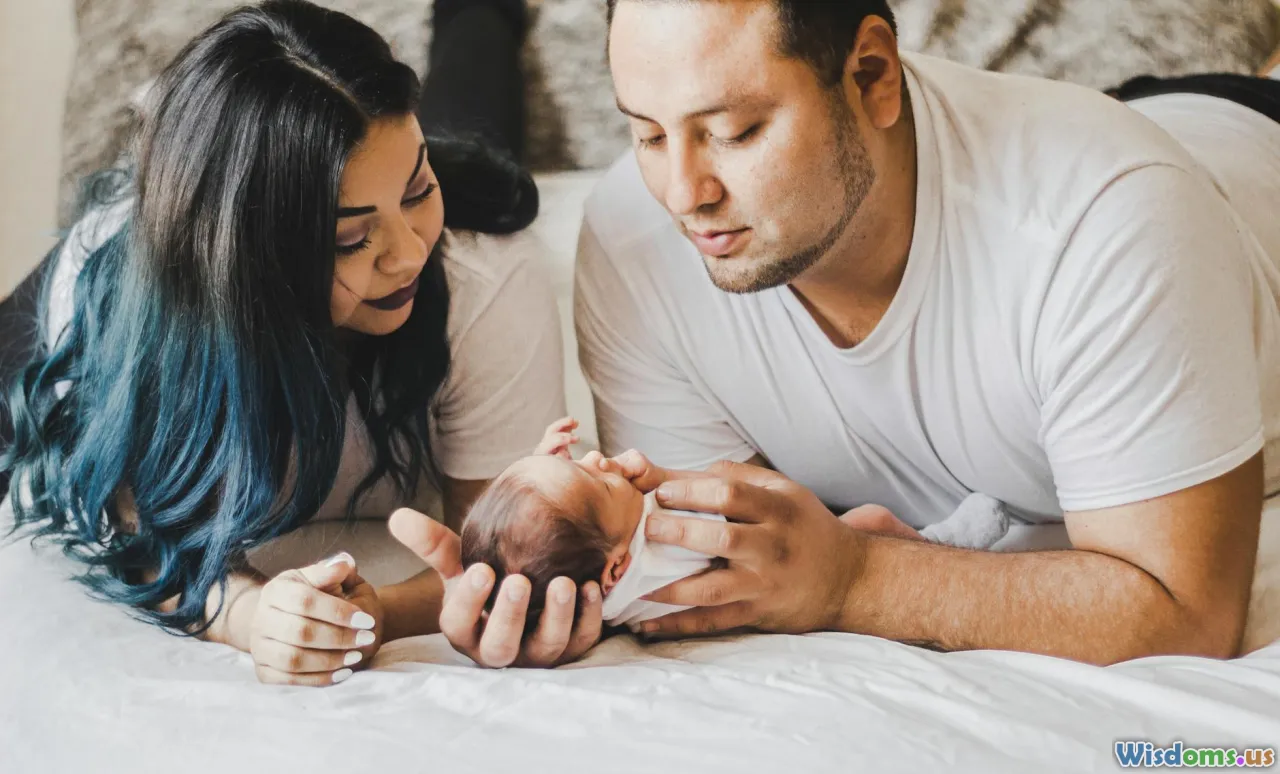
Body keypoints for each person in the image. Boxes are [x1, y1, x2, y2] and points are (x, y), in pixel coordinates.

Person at [556, 0, 1280, 666]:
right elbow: (711, 559)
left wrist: (856, 578)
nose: (684, 195)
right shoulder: (634, 237)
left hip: (1246, 141)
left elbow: (1186, 617)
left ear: (871, 75)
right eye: (648, 133)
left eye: (734, 132)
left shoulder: (1109, 221)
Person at [0, 0, 606, 685]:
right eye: (350, 239)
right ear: (249, 260)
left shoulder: (478, 266)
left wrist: (383, 613)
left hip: (422, 186)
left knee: (479, 149)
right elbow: (142, 543)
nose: (406, 255)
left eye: (417, 191)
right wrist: (249, 613)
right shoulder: (120, 306)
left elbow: (496, 554)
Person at [460, 416, 1012, 633]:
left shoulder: (602, 591)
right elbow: (725, 510)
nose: (598, 459)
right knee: (872, 520)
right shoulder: (656, 552)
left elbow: (536, 542)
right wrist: (655, 481)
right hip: (800, 581)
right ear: (617, 568)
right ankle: (943, 543)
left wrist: (544, 462)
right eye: (600, 483)